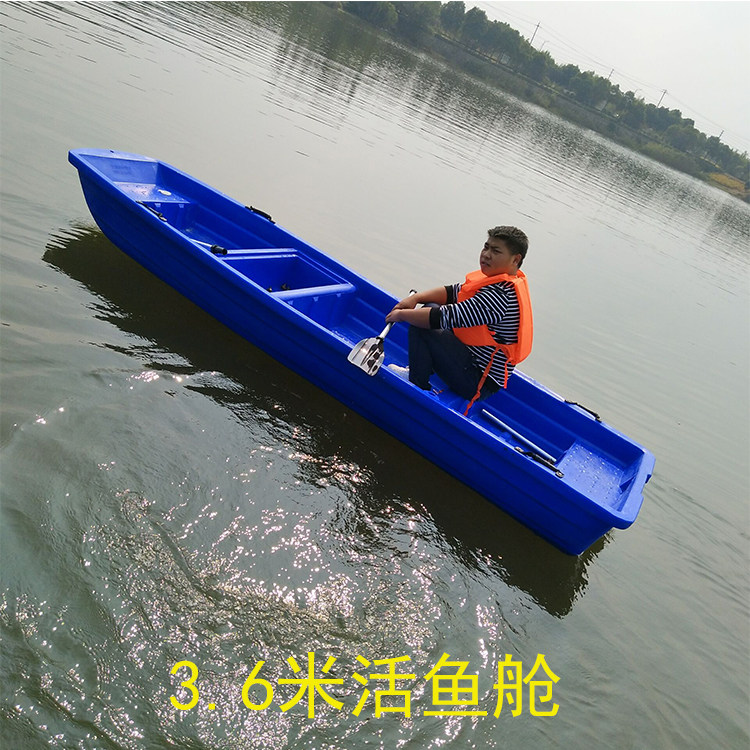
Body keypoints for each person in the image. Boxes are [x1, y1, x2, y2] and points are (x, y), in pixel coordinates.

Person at [384, 226, 533, 413]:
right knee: (430, 306)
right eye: (486, 247)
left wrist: (401, 315)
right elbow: (453, 292)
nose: (486, 255)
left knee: (423, 326)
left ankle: (416, 383)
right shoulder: (497, 281)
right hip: (470, 361)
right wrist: (416, 298)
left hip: (477, 382)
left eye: (496, 251)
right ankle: (423, 369)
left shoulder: (500, 296)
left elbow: (442, 317)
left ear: (515, 259)